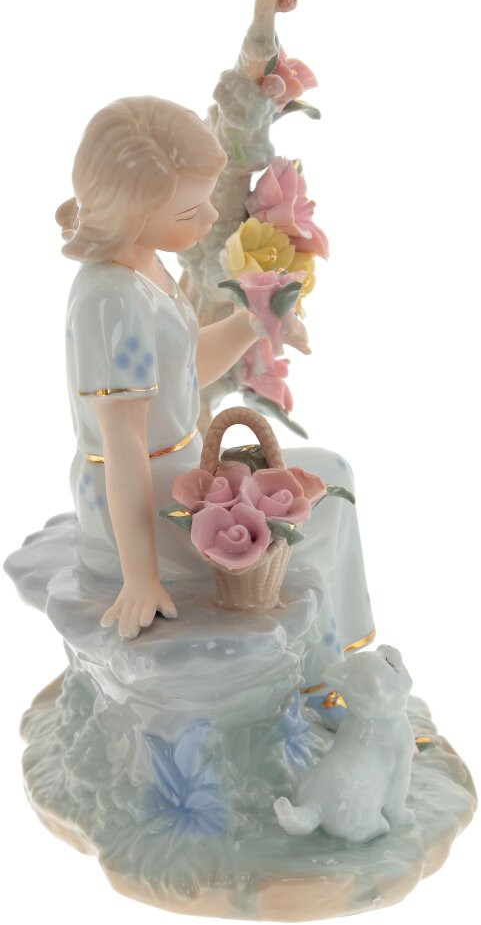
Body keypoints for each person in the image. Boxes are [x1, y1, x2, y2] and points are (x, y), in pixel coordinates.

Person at [6, 95, 375, 657]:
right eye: (189, 213)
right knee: (321, 504)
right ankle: (323, 662)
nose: (208, 220)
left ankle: (331, 660)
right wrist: (141, 576)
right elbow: (124, 444)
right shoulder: (110, 298)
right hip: (143, 496)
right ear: (134, 212)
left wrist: (253, 323)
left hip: (179, 466)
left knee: (327, 482)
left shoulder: (144, 264)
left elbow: (185, 370)